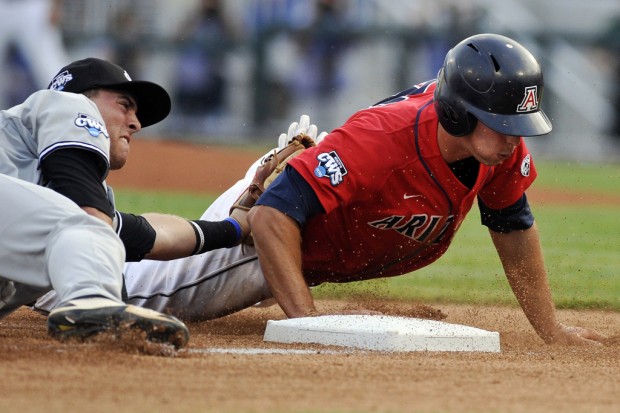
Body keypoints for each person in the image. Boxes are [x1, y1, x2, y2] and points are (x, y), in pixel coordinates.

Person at [40, 34, 607, 346]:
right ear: (458, 114)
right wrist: (308, 325)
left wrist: (549, 328)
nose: (514, 138)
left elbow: (512, 225)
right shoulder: (384, 140)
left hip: (312, 214)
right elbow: (270, 221)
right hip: (279, 226)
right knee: (139, 298)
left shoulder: (500, 152)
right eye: (500, 122)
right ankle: (40, 254)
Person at [1, 57, 245, 348]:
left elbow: (153, 234)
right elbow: (92, 220)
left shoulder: (68, 210)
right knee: (89, 232)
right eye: (124, 104)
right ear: (82, 98)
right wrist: (112, 298)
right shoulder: (65, 104)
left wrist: (237, 227)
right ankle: (92, 301)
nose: (136, 123)